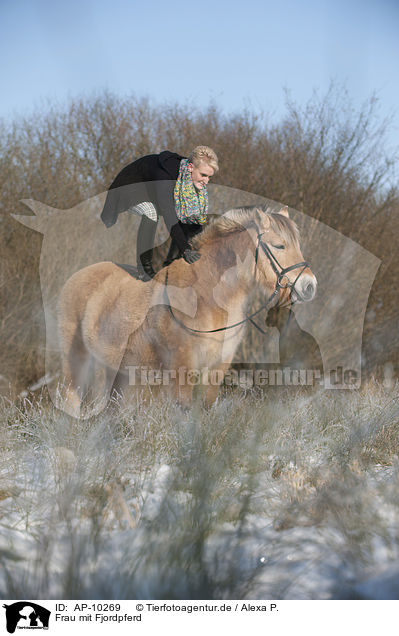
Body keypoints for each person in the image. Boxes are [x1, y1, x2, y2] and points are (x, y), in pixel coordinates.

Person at [100, 146, 219, 280]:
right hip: (128, 188)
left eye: (209, 177)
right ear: (191, 167)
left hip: (150, 191)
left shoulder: (191, 176)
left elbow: (192, 221)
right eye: (203, 175)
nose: (206, 181)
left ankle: (171, 263)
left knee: (189, 218)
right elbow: (169, 215)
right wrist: (185, 249)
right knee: (151, 213)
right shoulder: (165, 177)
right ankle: (143, 268)